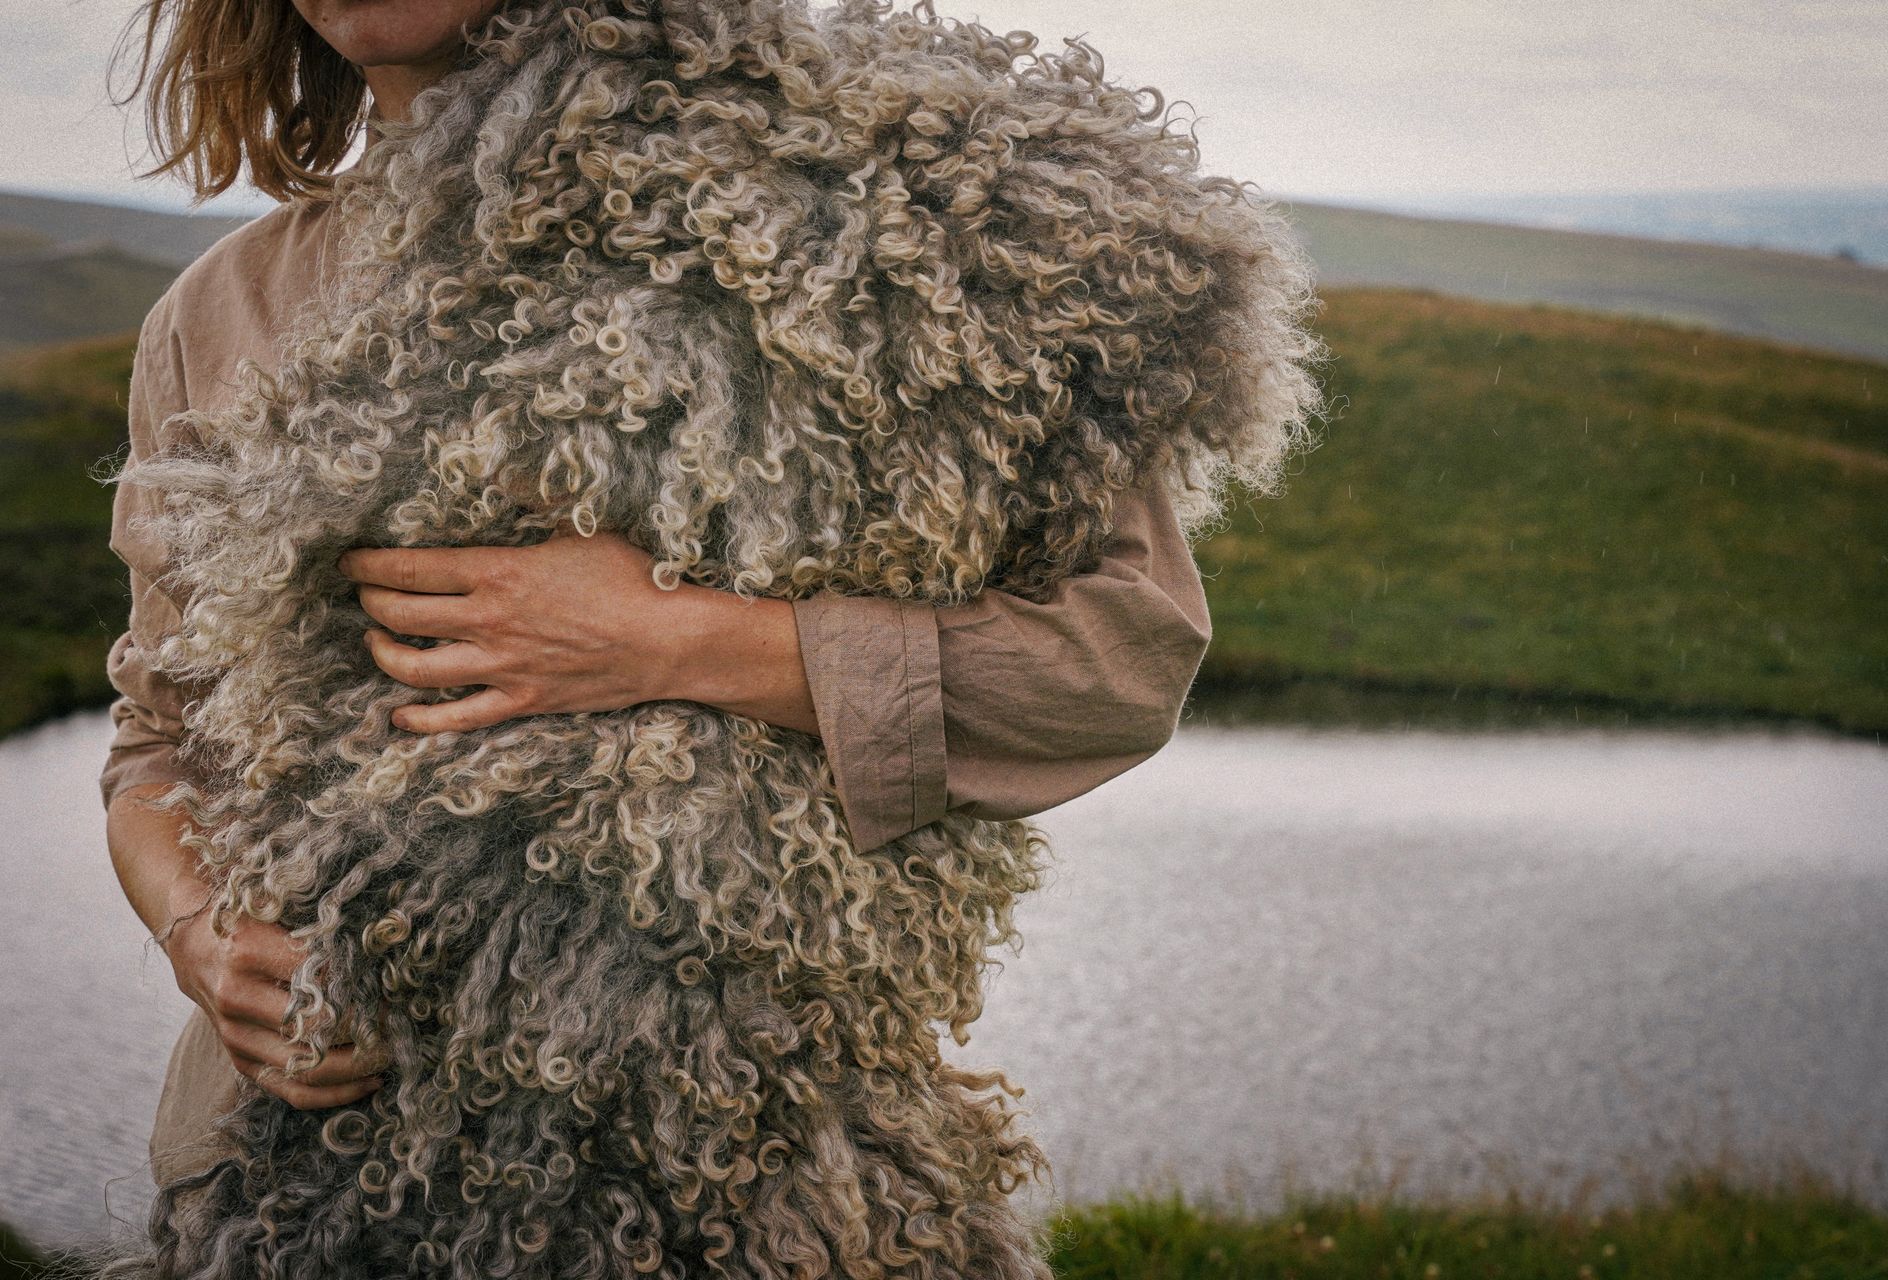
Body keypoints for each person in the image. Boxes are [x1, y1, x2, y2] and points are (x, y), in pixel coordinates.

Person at [102, 0, 1215, 1187]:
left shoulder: (876, 227)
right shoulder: (221, 312)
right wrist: (198, 932)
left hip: (745, 1178)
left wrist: (677, 642)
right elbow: (158, 740)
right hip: (291, 1184)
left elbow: (1120, 655)